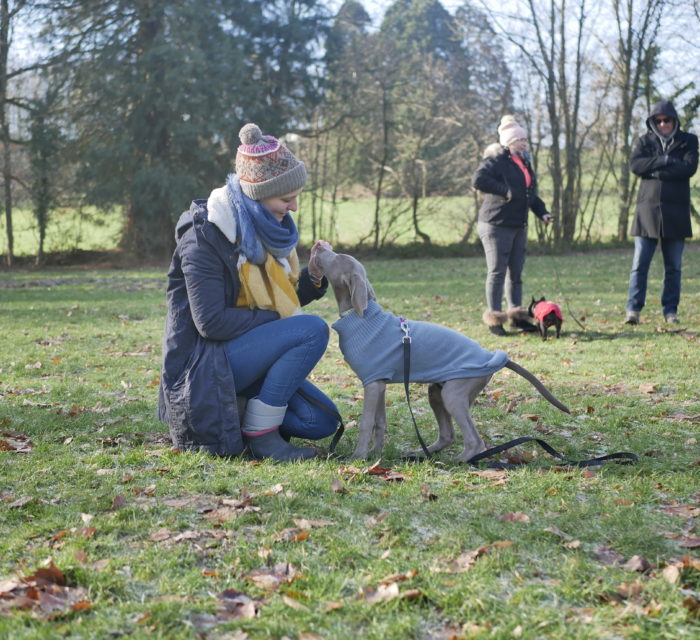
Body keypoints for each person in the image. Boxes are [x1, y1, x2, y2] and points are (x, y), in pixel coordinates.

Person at [158, 122, 338, 461]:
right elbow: (211, 323)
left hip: (243, 354)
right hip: (204, 366)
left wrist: (312, 276)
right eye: (287, 198)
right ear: (258, 193)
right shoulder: (205, 237)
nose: (294, 208)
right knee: (312, 329)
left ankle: (240, 410)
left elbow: (279, 302)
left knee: (320, 421)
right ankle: (261, 435)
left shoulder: (265, 229)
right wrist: (274, 320)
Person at [472, 115, 553, 336]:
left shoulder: (525, 163)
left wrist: (543, 212)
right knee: (497, 272)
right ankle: (495, 320)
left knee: (515, 274)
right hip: (495, 224)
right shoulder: (497, 160)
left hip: (518, 225)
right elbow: (478, 180)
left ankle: (517, 318)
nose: (524, 143)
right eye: (520, 140)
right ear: (509, 142)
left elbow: (530, 194)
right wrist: (504, 190)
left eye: (525, 140)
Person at [624, 100, 698, 325]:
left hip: (676, 213)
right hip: (647, 213)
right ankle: (633, 310)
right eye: (659, 120)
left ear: (674, 120)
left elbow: (689, 168)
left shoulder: (689, 141)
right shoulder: (645, 141)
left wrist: (654, 172)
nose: (663, 124)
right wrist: (664, 161)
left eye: (667, 120)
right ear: (653, 122)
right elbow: (636, 166)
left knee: (673, 267)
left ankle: (670, 311)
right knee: (639, 265)